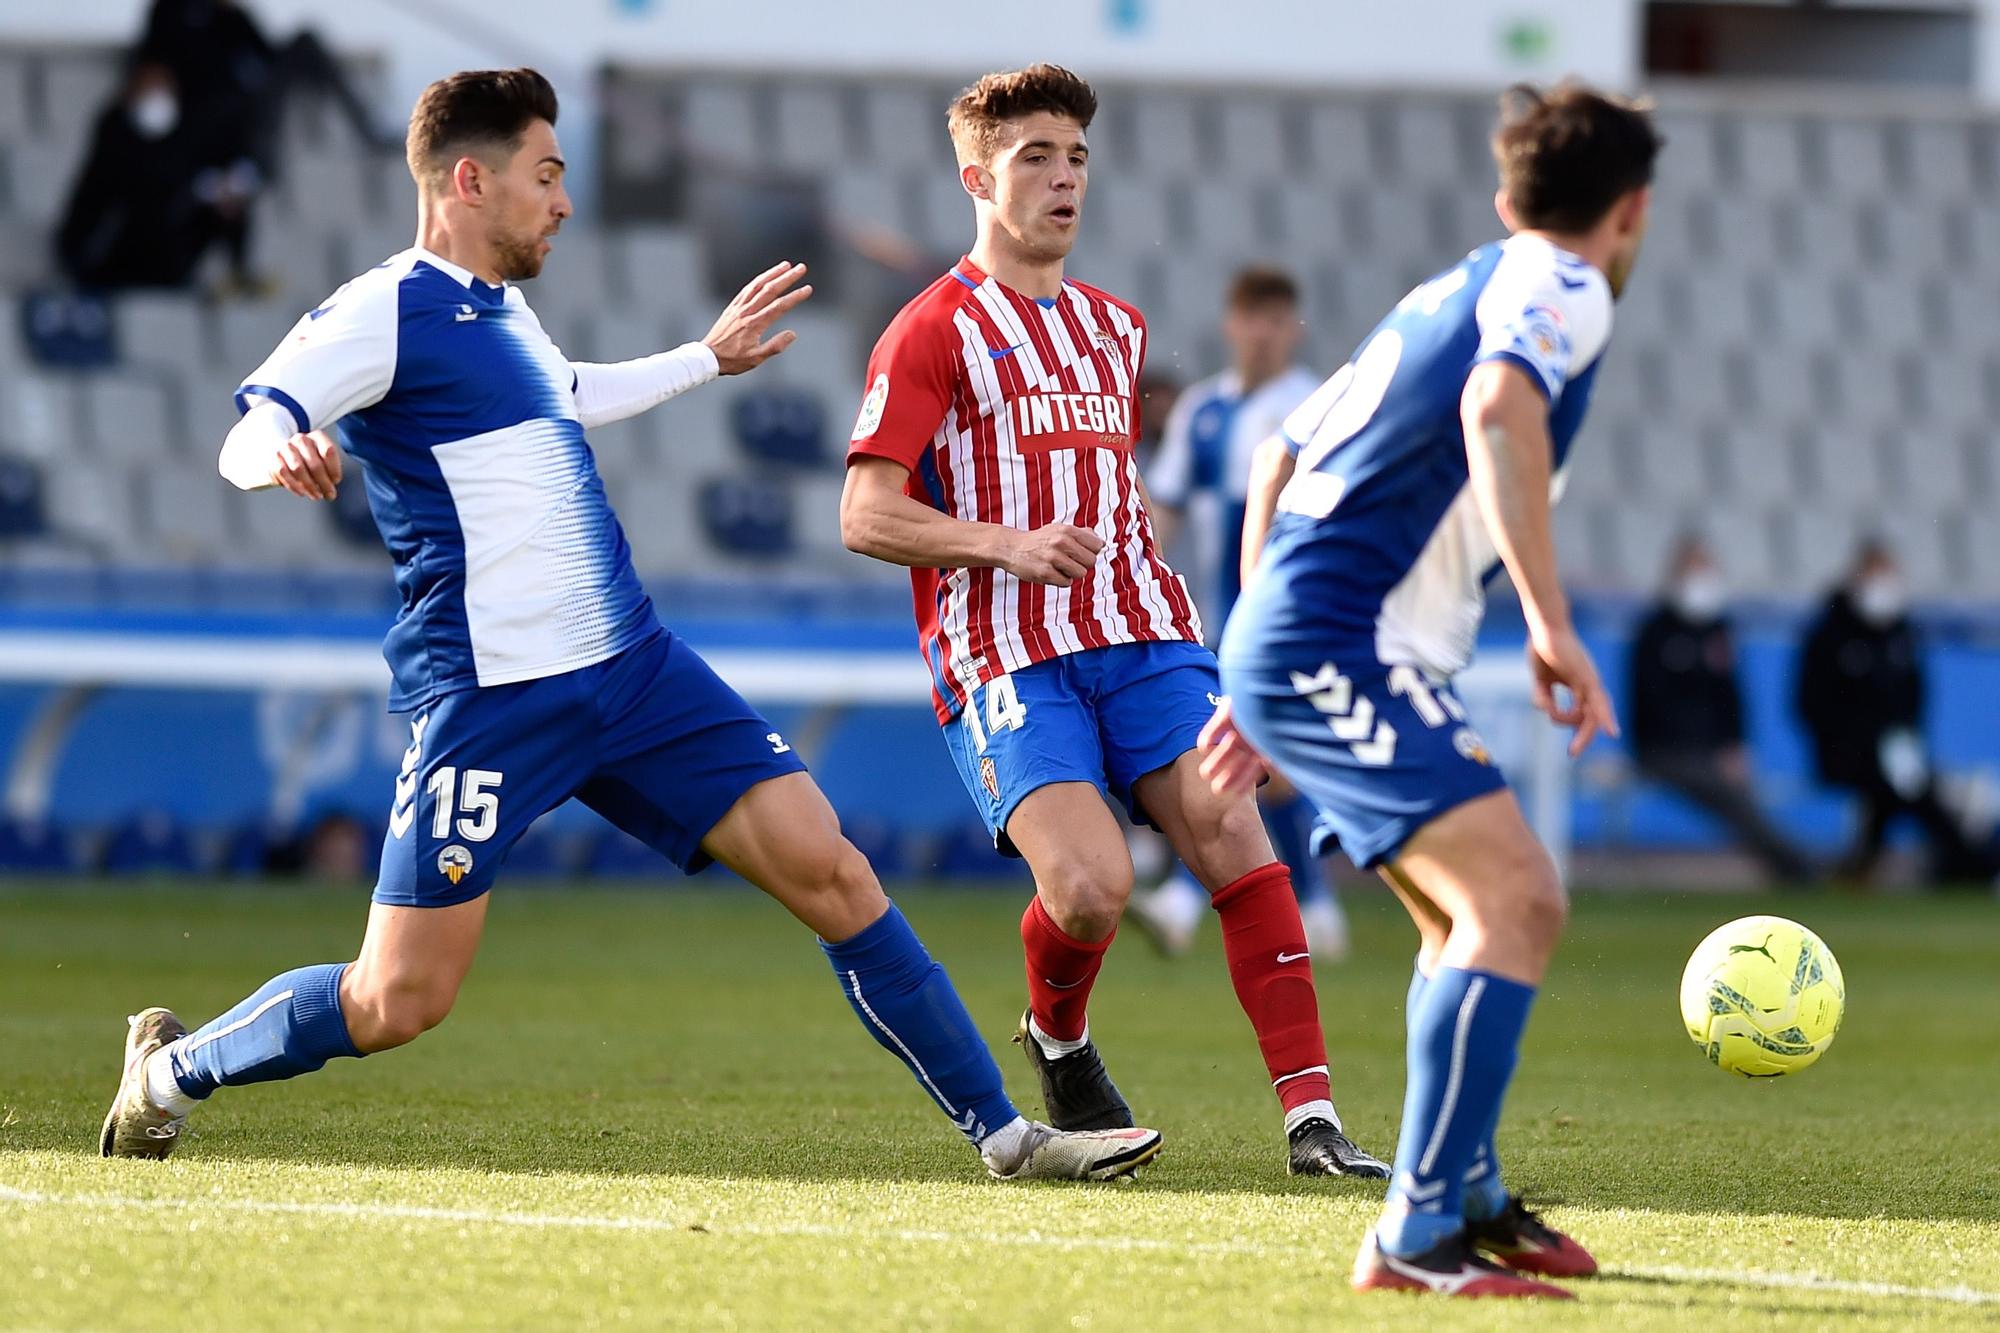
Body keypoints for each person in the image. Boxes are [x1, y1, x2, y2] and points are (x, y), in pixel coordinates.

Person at [99, 68, 1163, 1187]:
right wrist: (285, 451)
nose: (563, 201)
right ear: (469, 180)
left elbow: (564, 389)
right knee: (396, 998)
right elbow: (249, 426)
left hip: (633, 671)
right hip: (490, 698)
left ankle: (1005, 1135)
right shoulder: (382, 310)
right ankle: (169, 1075)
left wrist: (704, 358)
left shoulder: (500, 309)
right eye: (545, 176)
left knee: (834, 872)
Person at [839, 64, 1386, 1180]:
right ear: (976, 175)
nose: (1062, 177)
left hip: (1143, 637)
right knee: (1089, 892)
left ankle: (1312, 1119)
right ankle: (1057, 1035)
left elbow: (1113, 492)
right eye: (1034, 156)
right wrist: (1006, 545)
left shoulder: (1115, 331)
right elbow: (863, 512)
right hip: (1007, 652)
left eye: (1075, 157)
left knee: (1236, 825)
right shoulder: (930, 331)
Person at [1201, 83, 1660, 1296]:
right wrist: (1552, 626)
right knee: (1519, 902)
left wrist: (1257, 650)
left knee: (1462, 919)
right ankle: (1412, 1238)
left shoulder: (1451, 285)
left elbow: (1275, 452)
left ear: (1504, 195)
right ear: (1631, 211)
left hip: (1329, 641)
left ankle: (1463, 1195)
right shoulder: (1562, 284)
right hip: (1345, 644)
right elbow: (1496, 405)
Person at [1129, 264, 1351, 959]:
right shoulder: (1201, 410)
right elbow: (1163, 505)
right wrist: (1134, 568)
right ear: (1232, 324)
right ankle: (1315, 907)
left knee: (1242, 761)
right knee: (1259, 767)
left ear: (1293, 328)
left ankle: (1182, 902)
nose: (1262, 334)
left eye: (1276, 320)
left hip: (1287, 621)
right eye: (1252, 318)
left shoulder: (1315, 406)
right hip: (1211, 622)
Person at [1796, 539, 1996, 886]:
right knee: (1908, 792)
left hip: (1895, 750)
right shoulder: (1831, 632)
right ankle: (1964, 864)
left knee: (1904, 789)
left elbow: (1915, 694)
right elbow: (1810, 701)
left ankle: (1865, 866)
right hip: (1845, 752)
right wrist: (1857, 741)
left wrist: (1903, 740)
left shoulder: (1900, 631)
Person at [1629, 535, 1814, 882]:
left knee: (1737, 793)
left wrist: (1734, 745)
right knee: (1731, 796)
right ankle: (1794, 864)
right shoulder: (1655, 633)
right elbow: (1649, 703)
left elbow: (1731, 697)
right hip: (1665, 751)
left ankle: (1789, 863)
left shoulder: (1718, 629)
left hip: (1710, 754)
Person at [56, 61, 260, 290]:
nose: (157, 99)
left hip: (169, 265)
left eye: (163, 90)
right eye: (149, 89)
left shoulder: (187, 136)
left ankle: (237, 277)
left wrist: (216, 192)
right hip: (109, 263)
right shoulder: (114, 134)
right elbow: (137, 188)